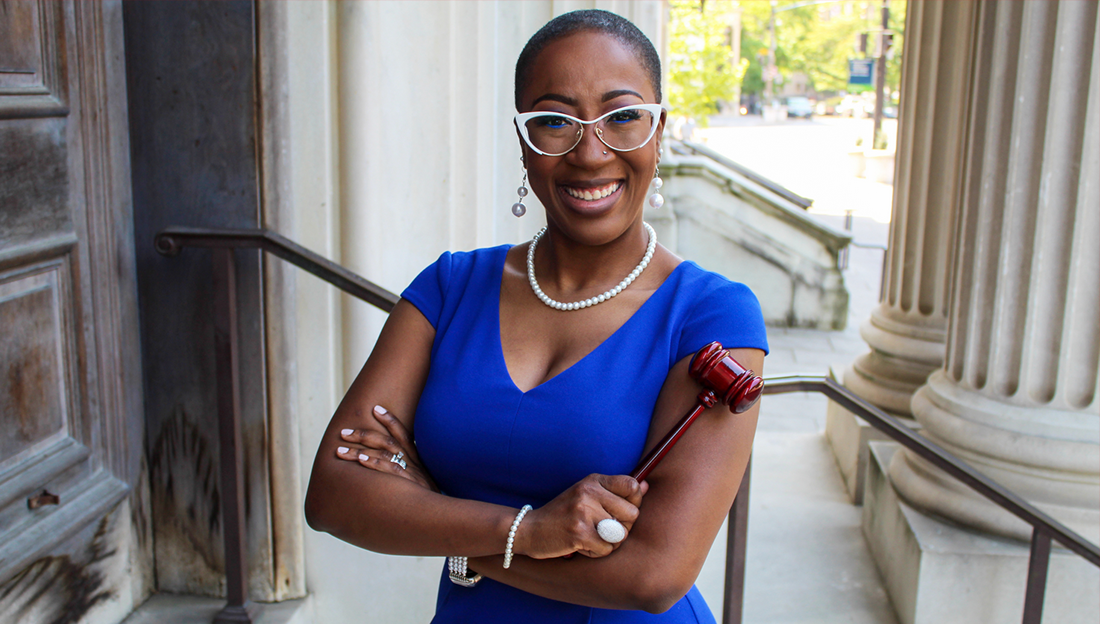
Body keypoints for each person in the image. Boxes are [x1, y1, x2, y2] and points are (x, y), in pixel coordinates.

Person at [304, 10, 767, 623]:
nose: (591, 153)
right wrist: (530, 529)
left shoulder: (711, 314)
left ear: (658, 131)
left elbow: (654, 574)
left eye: (622, 117)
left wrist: (436, 513)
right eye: (554, 121)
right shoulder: (450, 287)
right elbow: (334, 496)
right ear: (523, 143)